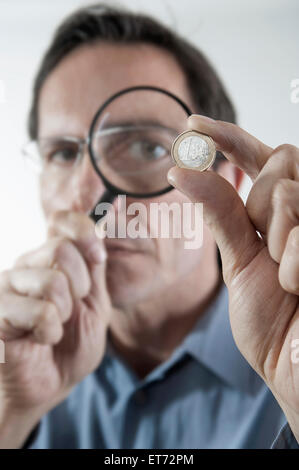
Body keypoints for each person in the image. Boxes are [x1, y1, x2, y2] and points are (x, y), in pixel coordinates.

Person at [0, 3, 298, 449]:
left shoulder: (291, 354)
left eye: (143, 146)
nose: (88, 194)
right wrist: (8, 413)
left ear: (230, 181)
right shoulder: (16, 373)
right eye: (63, 152)